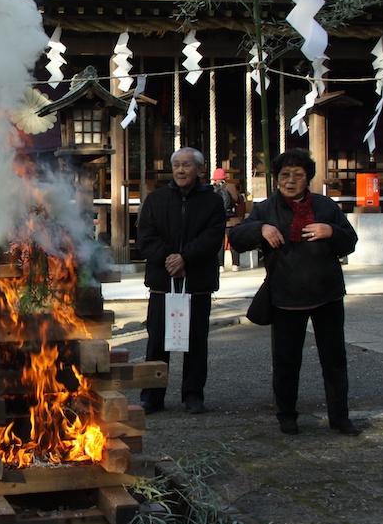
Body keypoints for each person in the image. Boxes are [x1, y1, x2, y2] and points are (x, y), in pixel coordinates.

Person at [229, 148, 360, 436]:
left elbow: (350, 241)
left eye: (298, 175)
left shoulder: (326, 207)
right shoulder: (266, 209)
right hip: (286, 297)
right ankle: (286, 415)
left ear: (308, 179)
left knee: (334, 360)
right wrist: (260, 229)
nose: (290, 181)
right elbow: (236, 238)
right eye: (285, 175)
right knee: (286, 361)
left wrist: (331, 231)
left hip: (327, 295)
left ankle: (340, 416)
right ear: (276, 178)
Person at [135, 147, 226, 414]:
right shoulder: (156, 199)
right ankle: (152, 396)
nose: (180, 170)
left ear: (199, 169)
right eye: (176, 165)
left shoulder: (212, 201)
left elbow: (212, 237)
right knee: (157, 341)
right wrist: (169, 259)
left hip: (196, 281)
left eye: (186, 165)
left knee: (196, 340)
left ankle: (193, 395)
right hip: (164, 282)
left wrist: (185, 258)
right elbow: (145, 236)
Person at [211, 168, 245, 271]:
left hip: (218, 220)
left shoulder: (212, 189)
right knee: (234, 242)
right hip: (232, 220)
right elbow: (238, 199)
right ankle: (235, 264)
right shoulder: (231, 186)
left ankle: (220, 265)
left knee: (219, 244)